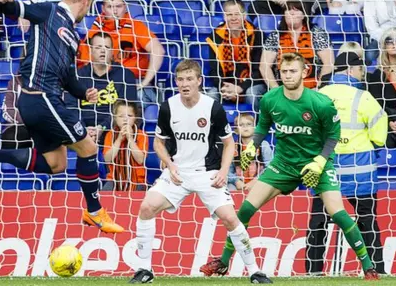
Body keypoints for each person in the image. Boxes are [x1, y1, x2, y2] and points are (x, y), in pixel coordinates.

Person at [0, 0, 124, 233]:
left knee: (57, 165)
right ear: (85, 0)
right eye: (90, 6)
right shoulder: (49, 10)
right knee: (88, 149)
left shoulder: (73, 36)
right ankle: (95, 212)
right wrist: (5, 2)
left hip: (44, 101)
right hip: (40, 96)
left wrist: (84, 92)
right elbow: (16, 10)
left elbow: (68, 78)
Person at [201, 52, 380, 281]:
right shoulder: (270, 99)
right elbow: (263, 127)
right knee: (245, 210)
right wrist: (251, 147)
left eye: (292, 71)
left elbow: (333, 135)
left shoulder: (320, 103)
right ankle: (223, 262)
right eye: (284, 71)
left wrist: (321, 161)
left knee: (340, 214)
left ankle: (368, 267)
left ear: (304, 72)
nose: (287, 75)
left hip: (317, 165)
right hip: (283, 165)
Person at [130, 59, 270, 284]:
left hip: (208, 173)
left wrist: (224, 171)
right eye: (180, 80)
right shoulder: (168, 106)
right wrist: (169, 163)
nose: (184, 84)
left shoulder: (212, 107)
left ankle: (255, 271)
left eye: (189, 79)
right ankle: (144, 270)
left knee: (230, 218)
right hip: (178, 173)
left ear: (199, 81)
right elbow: (158, 143)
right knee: (147, 207)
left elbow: (229, 144)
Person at [308, 51, 388, 275]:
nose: (362, 75)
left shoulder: (318, 95)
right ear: (352, 70)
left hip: (326, 168)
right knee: (367, 221)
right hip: (359, 170)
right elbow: (380, 133)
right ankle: (376, 269)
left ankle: (313, 272)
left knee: (318, 222)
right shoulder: (362, 97)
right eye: (361, 70)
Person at [78, 0, 164, 104]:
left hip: (133, 82)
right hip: (101, 82)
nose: (114, 11)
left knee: (139, 98)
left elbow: (158, 50)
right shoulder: (94, 31)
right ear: (103, 9)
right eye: (110, 7)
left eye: (118, 6)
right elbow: (83, 62)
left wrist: (145, 82)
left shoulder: (136, 27)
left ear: (125, 7)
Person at [67, 32, 138, 142]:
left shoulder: (126, 75)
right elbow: (71, 108)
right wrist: (84, 130)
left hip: (115, 131)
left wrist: (102, 128)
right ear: (90, 50)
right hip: (81, 131)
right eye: (98, 47)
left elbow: (128, 110)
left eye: (107, 47)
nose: (103, 51)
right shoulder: (77, 76)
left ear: (112, 51)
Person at [205, 0, 266, 110]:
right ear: (224, 16)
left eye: (237, 14)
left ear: (244, 16)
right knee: (210, 96)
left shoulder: (256, 35)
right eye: (229, 14)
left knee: (251, 93)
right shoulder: (215, 36)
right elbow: (214, 70)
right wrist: (225, 88)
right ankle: (215, 127)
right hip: (226, 85)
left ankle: (254, 126)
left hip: (251, 84)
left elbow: (259, 71)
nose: (233, 18)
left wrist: (240, 88)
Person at [260, 0, 334, 89]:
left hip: (313, 88)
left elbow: (329, 63)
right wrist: (276, 89)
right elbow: (264, 66)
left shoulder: (317, 33)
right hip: (283, 88)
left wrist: (319, 87)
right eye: (288, 10)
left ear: (303, 15)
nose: (291, 13)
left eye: (296, 10)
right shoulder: (275, 36)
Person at [367, 27, 396, 149]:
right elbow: (376, 105)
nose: (394, 44)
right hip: (387, 124)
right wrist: (390, 123)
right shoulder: (378, 74)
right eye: (389, 41)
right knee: (383, 141)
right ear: (384, 46)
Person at [102, 101, 148, 191]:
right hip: (114, 179)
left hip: (137, 180)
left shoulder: (142, 135)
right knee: (104, 196)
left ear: (135, 118)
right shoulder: (110, 135)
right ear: (115, 118)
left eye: (129, 116)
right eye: (121, 116)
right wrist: (119, 139)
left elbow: (140, 160)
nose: (125, 119)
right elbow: (107, 159)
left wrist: (130, 139)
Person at [228, 113, 272, 191]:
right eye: (241, 125)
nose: (245, 127)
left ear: (255, 128)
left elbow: (269, 167)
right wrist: (236, 181)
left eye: (249, 124)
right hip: (239, 184)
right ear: (236, 130)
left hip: (260, 181)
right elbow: (228, 170)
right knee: (229, 188)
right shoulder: (232, 147)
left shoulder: (263, 145)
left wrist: (255, 181)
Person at [0, 75, 34, 149]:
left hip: (43, 125)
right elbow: (7, 108)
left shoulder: (48, 81)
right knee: (10, 136)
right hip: (19, 125)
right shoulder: (15, 81)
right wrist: (27, 121)